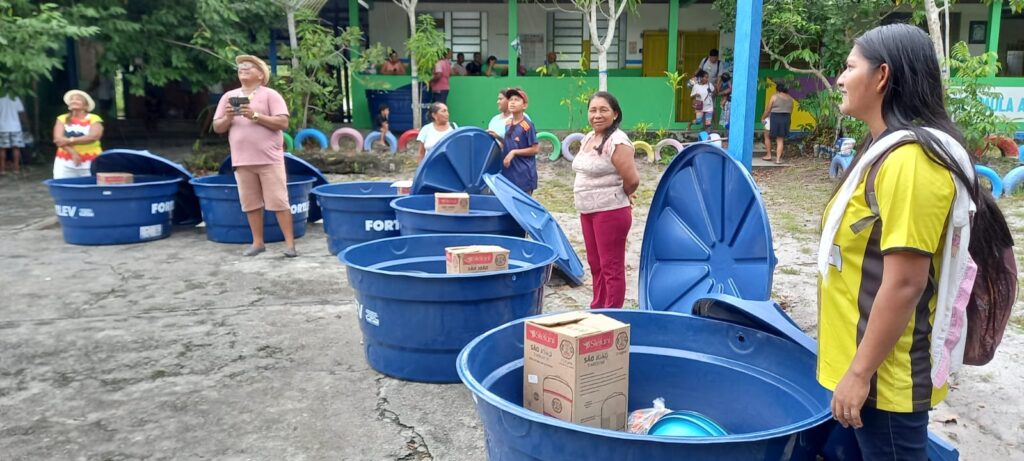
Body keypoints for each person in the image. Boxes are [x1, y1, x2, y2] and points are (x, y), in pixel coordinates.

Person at [818, 23, 1012, 459]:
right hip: (861, 366)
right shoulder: (881, 149)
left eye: (850, 67)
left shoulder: (911, 162)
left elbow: (905, 283)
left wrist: (860, 374)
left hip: (886, 377)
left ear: (881, 76)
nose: (840, 79)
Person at [212, 55, 297, 258]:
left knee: (279, 201)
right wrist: (229, 117)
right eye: (241, 67)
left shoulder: (270, 95)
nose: (243, 69)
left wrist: (255, 116)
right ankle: (257, 243)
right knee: (250, 203)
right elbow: (217, 126)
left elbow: (283, 123)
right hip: (242, 160)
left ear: (261, 74)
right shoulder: (228, 96)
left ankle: (290, 245)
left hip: (269, 159)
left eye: (249, 67)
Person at [573, 91, 640, 309]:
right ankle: (598, 307)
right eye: (593, 110)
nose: (597, 115)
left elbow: (632, 180)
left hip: (610, 212)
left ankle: (612, 314)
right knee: (595, 264)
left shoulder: (618, 141)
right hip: (588, 212)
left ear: (615, 114)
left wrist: (625, 194)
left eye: (604, 110)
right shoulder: (589, 137)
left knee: (611, 266)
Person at [52, 90, 103, 179]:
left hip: (90, 162)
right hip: (64, 162)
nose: (74, 101)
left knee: (91, 189)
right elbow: (58, 140)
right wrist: (73, 153)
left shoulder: (94, 118)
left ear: (86, 106)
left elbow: (93, 137)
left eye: (78, 99)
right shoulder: (61, 118)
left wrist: (69, 140)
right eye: (72, 99)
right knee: (64, 188)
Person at [499, 88, 539, 195]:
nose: (512, 102)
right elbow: (509, 143)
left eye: (516, 100)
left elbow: (535, 149)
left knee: (523, 208)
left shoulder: (527, 125)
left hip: (523, 176)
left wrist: (514, 152)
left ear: (524, 105)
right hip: (509, 174)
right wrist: (497, 137)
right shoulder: (508, 123)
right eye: (510, 99)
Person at [761, 81, 793, 163]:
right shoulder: (790, 98)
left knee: (767, 135)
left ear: (777, 89)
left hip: (774, 117)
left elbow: (768, 110)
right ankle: (778, 159)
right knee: (780, 139)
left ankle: (768, 155)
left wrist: (763, 118)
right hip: (786, 118)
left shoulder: (774, 97)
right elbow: (791, 111)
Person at [0, 95, 28, 175]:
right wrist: (26, 124)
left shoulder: (0, 98)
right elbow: (21, 113)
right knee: (16, 148)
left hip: (2, 127)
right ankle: (16, 168)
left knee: (2, 149)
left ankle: (2, 169)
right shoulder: (15, 98)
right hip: (15, 127)